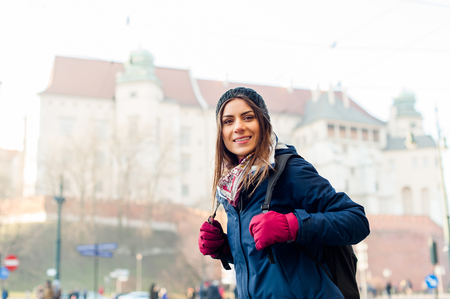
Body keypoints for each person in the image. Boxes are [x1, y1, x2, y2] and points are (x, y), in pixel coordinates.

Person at [198, 87, 370, 299]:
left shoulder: (289, 170)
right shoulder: (231, 188)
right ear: (221, 132)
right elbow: (272, 262)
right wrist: (226, 249)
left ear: (264, 123)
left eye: (248, 117)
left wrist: (293, 226)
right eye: (228, 121)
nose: (239, 127)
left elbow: (356, 220)